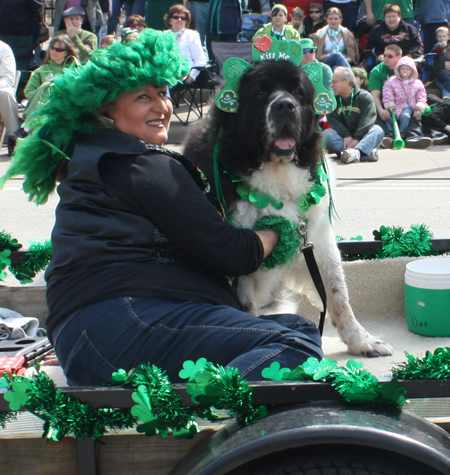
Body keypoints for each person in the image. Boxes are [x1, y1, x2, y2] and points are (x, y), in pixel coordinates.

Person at [1, 29, 323, 386]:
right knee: (295, 343)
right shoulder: (142, 165)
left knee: (295, 324)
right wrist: (276, 233)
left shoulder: (98, 155)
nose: (162, 107)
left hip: (90, 334)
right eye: (143, 97)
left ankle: (212, 390)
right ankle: (209, 404)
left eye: (164, 93)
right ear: (105, 106)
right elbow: (231, 253)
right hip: (121, 326)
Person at [324, 66, 384, 164]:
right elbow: (333, 121)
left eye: (335, 82)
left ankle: (354, 153)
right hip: (344, 139)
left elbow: (367, 121)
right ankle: (363, 153)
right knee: (326, 134)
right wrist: (346, 135)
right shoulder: (332, 100)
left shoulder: (365, 97)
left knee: (377, 130)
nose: (331, 85)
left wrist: (357, 138)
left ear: (346, 82)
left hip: (363, 137)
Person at [381, 56, 432, 149]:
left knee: (406, 116)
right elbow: (387, 92)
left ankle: (402, 133)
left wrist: (419, 107)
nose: (405, 71)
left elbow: (422, 95)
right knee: (389, 117)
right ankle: (390, 134)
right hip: (395, 105)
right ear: (398, 69)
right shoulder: (392, 81)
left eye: (407, 69)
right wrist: (389, 103)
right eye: (402, 69)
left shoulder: (417, 83)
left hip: (409, 106)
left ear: (412, 71)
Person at [24, 35, 79, 101]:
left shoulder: (76, 69)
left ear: (67, 52)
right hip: (46, 108)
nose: (53, 52)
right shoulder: (41, 70)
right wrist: (45, 99)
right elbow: (29, 91)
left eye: (58, 50)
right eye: (52, 48)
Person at [165, 4, 207, 83]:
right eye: (176, 17)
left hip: (183, 75)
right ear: (170, 20)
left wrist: (190, 77)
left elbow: (200, 59)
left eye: (183, 18)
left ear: (186, 22)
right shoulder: (163, 35)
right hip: (165, 74)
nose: (179, 19)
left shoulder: (192, 35)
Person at [0, 0, 44, 76]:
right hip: (10, 35)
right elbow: (37, 14)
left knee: (20, 70)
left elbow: (37, 14)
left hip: (22, 37)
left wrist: (35, 37)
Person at [368, 44, 402, 130]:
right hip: (385, 103)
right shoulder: (376, 71)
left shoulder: (406, 68)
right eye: (384, 55)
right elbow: (375, 95)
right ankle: (386, 135)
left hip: (403, 101)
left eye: (390, 56)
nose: (386, 58)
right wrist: (380, 110)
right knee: (373, 112)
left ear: (399, 57)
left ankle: (413, 135)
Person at [0, 40, 19, 139]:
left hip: (1, 88)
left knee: (6, 93)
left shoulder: (3, 49)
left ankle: (14, 137)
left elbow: (8, 78)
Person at [430, 27, 450, 101]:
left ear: (448, 37)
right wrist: (441, 47)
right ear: (436, 38)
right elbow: (433, 55)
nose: (442, 38)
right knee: (447, 80)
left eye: (444, 36)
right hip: (442, 72)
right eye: (439, 36)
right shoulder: (437, 46)